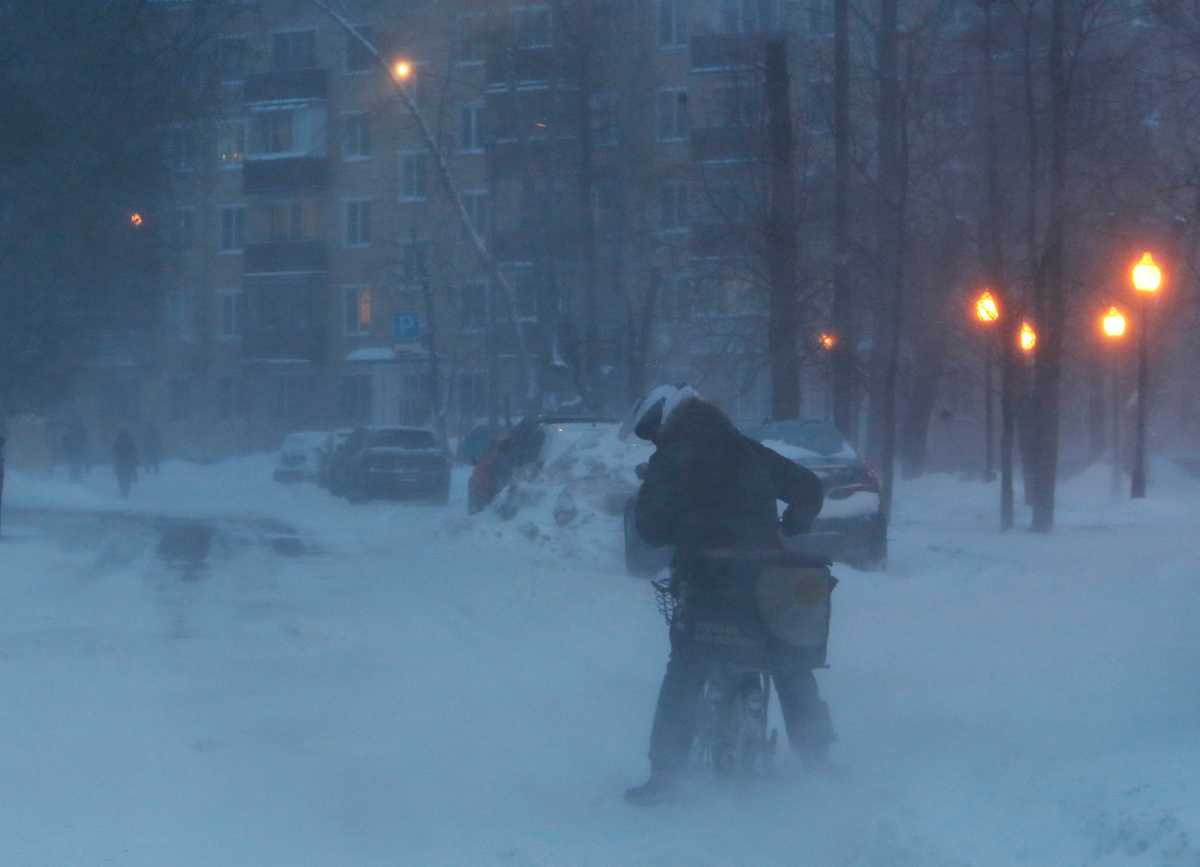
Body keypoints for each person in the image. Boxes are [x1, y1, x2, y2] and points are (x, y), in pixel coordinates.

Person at [623, 385, 831, 805]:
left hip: (708, 581)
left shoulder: (670, 459)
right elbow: (809, 488)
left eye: (652, 433)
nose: (654, 440)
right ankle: (820, 764)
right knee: (789, 661)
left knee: (686, 669)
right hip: (770, 581)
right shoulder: (746, 449)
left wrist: (674, 518)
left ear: (666, 420)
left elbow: (648, 529)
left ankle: (665, 777)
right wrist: (792, 527)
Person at [112, 428, 139, 498]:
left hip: (120, 462)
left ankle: (122, 491)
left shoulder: (117, 441)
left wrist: (115, 461)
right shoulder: (130, 440)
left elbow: (114, 452)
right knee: (127, 478)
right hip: (128, 462)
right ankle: (126, 492)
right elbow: (134, 451)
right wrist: (135, 461)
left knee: (121, 478)